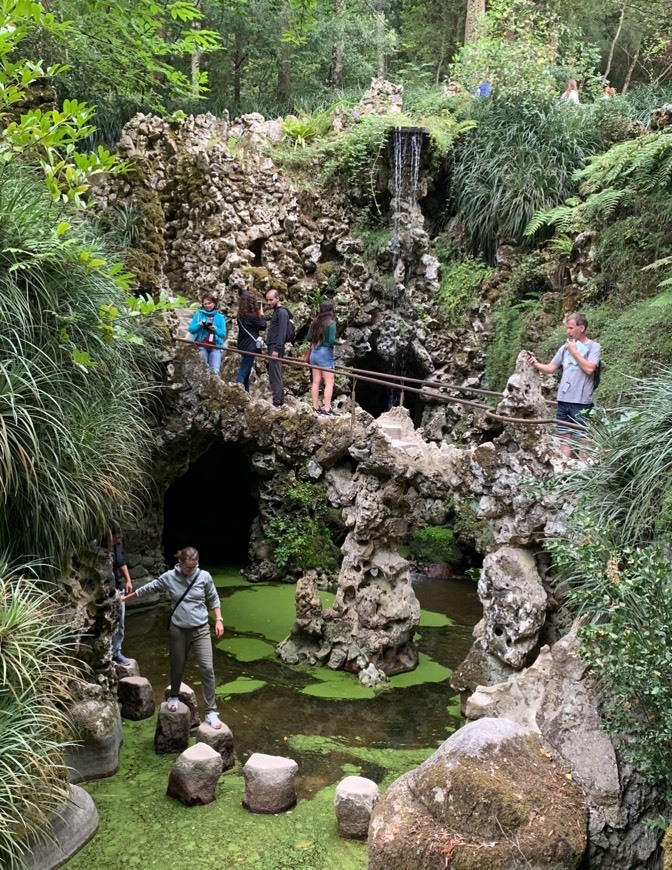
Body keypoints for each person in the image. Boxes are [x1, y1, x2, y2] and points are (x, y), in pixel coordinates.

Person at [120, 546, 225, 729]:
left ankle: (211, 712)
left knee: (207, 668)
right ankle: (174, 695)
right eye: (188, 568)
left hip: (200, 629)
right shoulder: (169, 577)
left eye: (195, 567)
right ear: (180, 563)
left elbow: (213, 598)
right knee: (177, 666)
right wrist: (126, 598)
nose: (192, 571)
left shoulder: (204, 577)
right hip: (178, 629)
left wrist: (218, 620)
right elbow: (149, 588)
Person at [527, 312, 601, 458]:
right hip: (563, 400)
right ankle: (564, 470)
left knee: (583, 437)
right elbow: (550, 368)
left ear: (581, 328)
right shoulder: (565, 348)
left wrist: (574, 352)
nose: (568, 332)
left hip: (581, 402)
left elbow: (590, 369)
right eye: (567, 328)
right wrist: (535, 364)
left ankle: (583, 470)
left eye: (571, 328)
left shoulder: (594, 347)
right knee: (563, 436)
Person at [306, 301, 345, 416]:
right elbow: (332, 340)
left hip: (314, 352)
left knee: (316, 381)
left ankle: (315, 407)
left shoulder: (315, 322)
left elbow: (308, 338)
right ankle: (327, 409)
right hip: (325, 354)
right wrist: (340, 342)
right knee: (329, 382)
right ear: (331, 310)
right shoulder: (331, 323)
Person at [235, 292, 266, 392]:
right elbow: (263, 326)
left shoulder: (240, 316)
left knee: (247, 371)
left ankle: (246, 392)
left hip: (242, 345)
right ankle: (237, 390)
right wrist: (261, 313)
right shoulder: (251, 317)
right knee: (243, 371)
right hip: (250, 347)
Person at [188, 292, 226, 374]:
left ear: (214, 303)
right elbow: (191, 329)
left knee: (215, 372)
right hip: (201, 345)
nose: (207, 306)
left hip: (215, 347)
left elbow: (223, 334)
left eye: (209, 303)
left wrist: (215, 329)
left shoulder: (220, 317)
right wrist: (199, 324)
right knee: (202, 371)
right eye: (205, 304)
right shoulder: (198, 314)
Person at [265, 289, 290, 409]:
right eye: (267, 300)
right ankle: (278, 400)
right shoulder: (276, 312)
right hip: (272, 346)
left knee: (275, 375)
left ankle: (277, 401)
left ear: (277, 298)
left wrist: (277, 348)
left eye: (271, 300)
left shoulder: (282, 313)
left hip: (276, 347)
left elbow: (282, 332)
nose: (268, 302)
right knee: (274, 374)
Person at [111, 531, 133, 666]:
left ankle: (116, 652)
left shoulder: (118, 545)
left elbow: (121, 562)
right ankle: (106, 653)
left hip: (118, 588)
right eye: (116, 537)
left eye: (120, 538)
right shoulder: (100, 546)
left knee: (121, 621)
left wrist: (128, 580)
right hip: (104, 588)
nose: (119, 540)